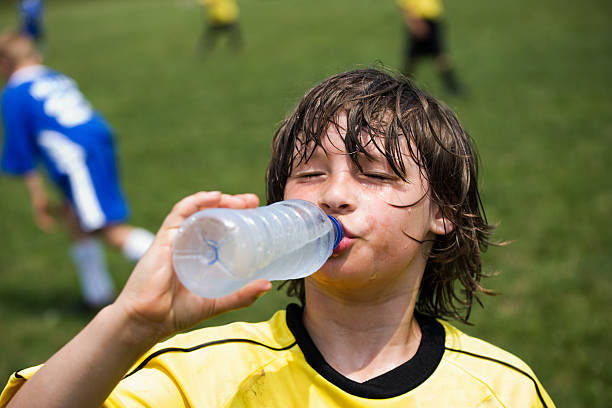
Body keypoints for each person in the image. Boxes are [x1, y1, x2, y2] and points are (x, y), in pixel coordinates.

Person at [0, 68, 555, 407]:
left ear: (445, 212)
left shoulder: (502, 391)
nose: (334, 194)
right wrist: (131, 324)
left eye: (376, 173)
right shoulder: (205, 376)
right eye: (310, 173)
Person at [0, 32, 154, 310]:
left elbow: (22, 151)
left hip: (77, 157)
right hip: (96, 142)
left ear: (3, 63)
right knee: (75, 218)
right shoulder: (54, 76)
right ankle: (97, 296)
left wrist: (37, 196)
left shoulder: (14, 93)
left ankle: (184, 267)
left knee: (106, 228)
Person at [397, 0, 464, 95]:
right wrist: (415, 24)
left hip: (432, 21)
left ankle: (400, 85)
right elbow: (406, 6)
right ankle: (400, 85)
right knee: (416, 57)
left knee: (434, 55)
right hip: (421, 21)